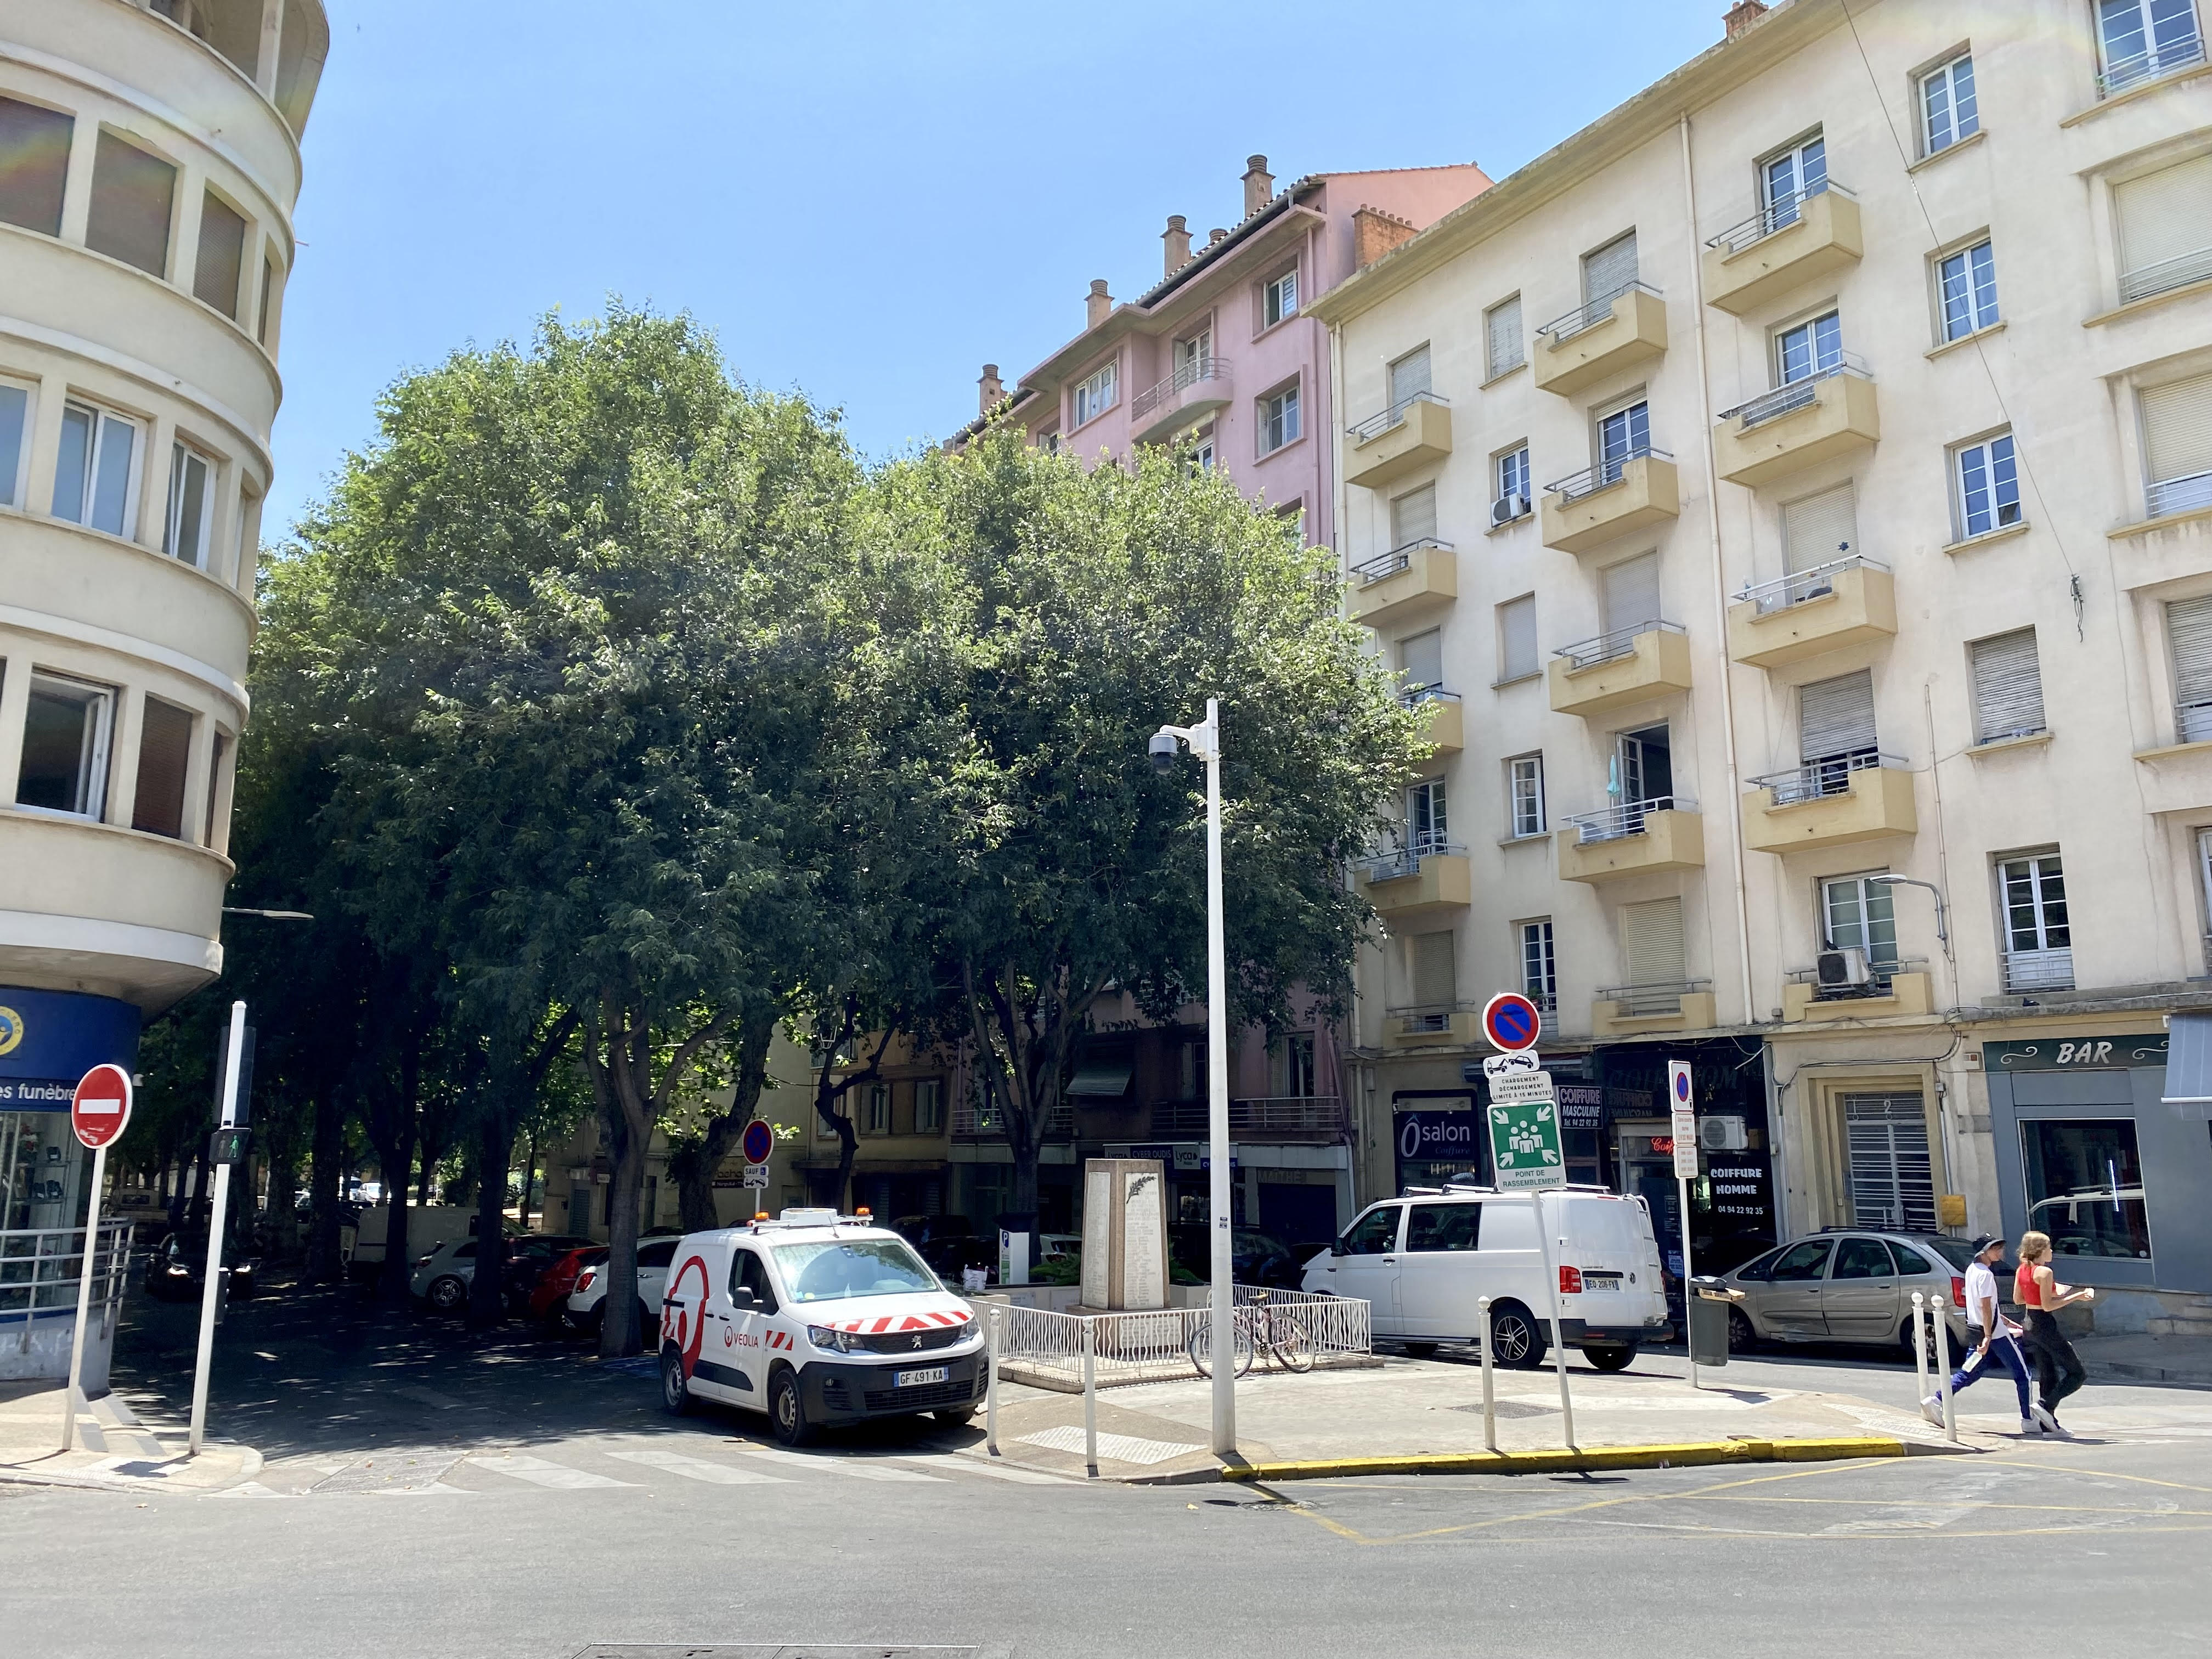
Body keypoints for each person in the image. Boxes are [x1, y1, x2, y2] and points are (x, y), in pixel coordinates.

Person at [1922, 1233, 2035, 1435]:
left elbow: (1984, 1306)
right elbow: (1985, 1307)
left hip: (1979, 1331)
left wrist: (2004, 1323)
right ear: (1985, 1252)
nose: (2000, 1251)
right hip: (1994, 1335)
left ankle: (1937, 1399)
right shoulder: (1985, 1275)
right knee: (2023, 1375)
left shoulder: (1972, 1270)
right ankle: (2028, 1419)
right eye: (1996, 1248)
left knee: (1969, 1373)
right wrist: (1989, 1337)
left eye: (2000, 1247)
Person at [2015, 1229, 2092, 1435]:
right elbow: (2048, 1307)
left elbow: (2018, 1299)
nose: (2052, 1251)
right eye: (2049, 1247)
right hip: (2044, 1324)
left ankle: (2048, 1425)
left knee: (2048, 1374)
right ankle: (2045, 1405)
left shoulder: (2022, 1269)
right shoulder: (2045, 1272)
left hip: (2029, 1323)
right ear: (2040, 1250)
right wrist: (2077, 1296)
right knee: (2077, 1373)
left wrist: (2052, 1291)